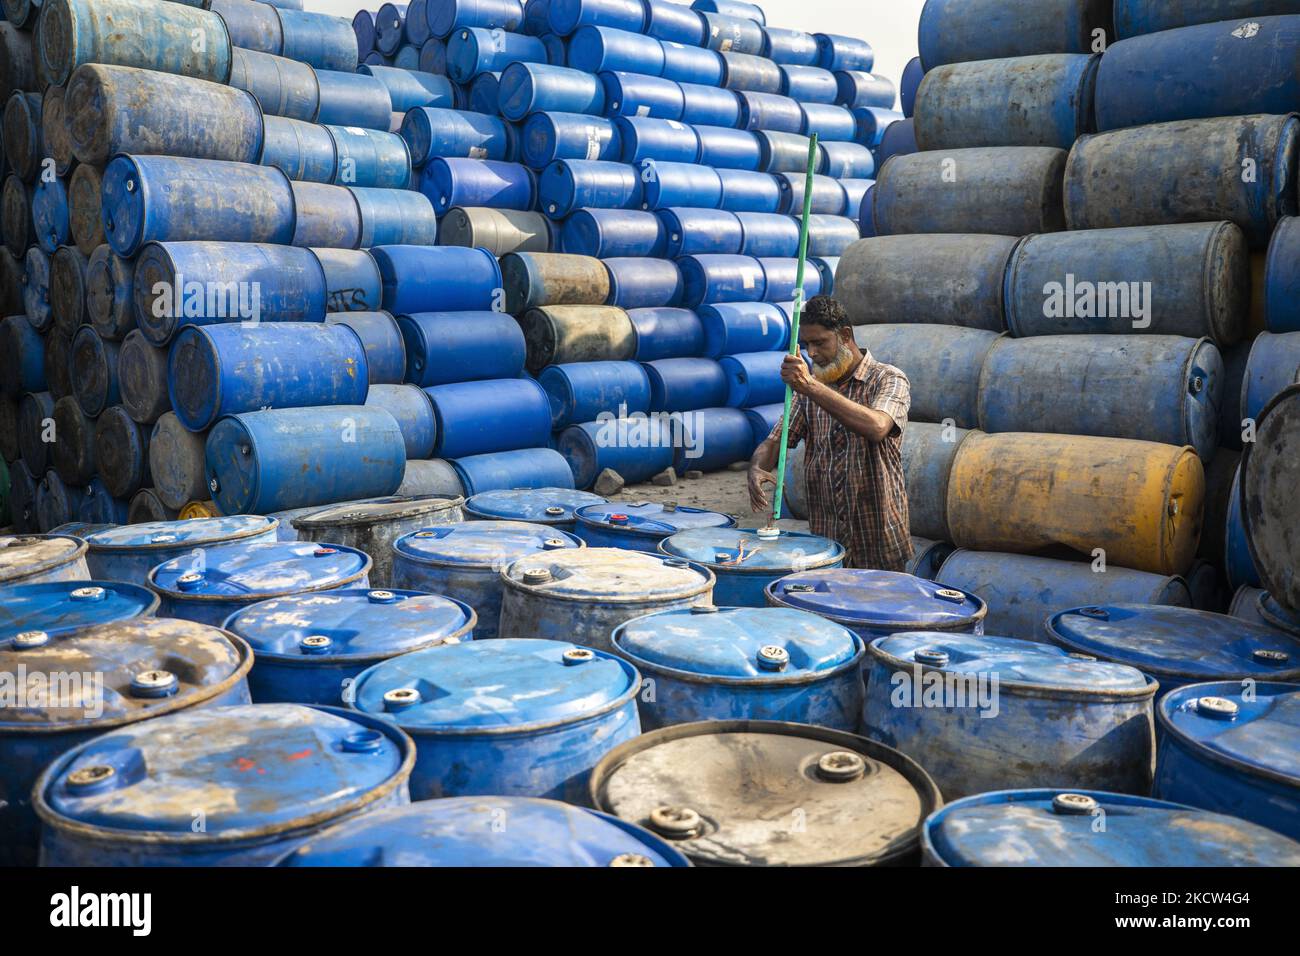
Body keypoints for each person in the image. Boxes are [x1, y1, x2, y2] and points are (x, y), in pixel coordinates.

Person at [747, 294, 912, 571]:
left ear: (845, 335)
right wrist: (757, 466)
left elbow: (877, 426)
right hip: (827, 543)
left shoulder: (888, 378)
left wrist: (810, 386)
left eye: (819, 343)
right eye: (806, 345)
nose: (811, 353)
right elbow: (776, 439)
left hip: (879, 540)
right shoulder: (809, 391)